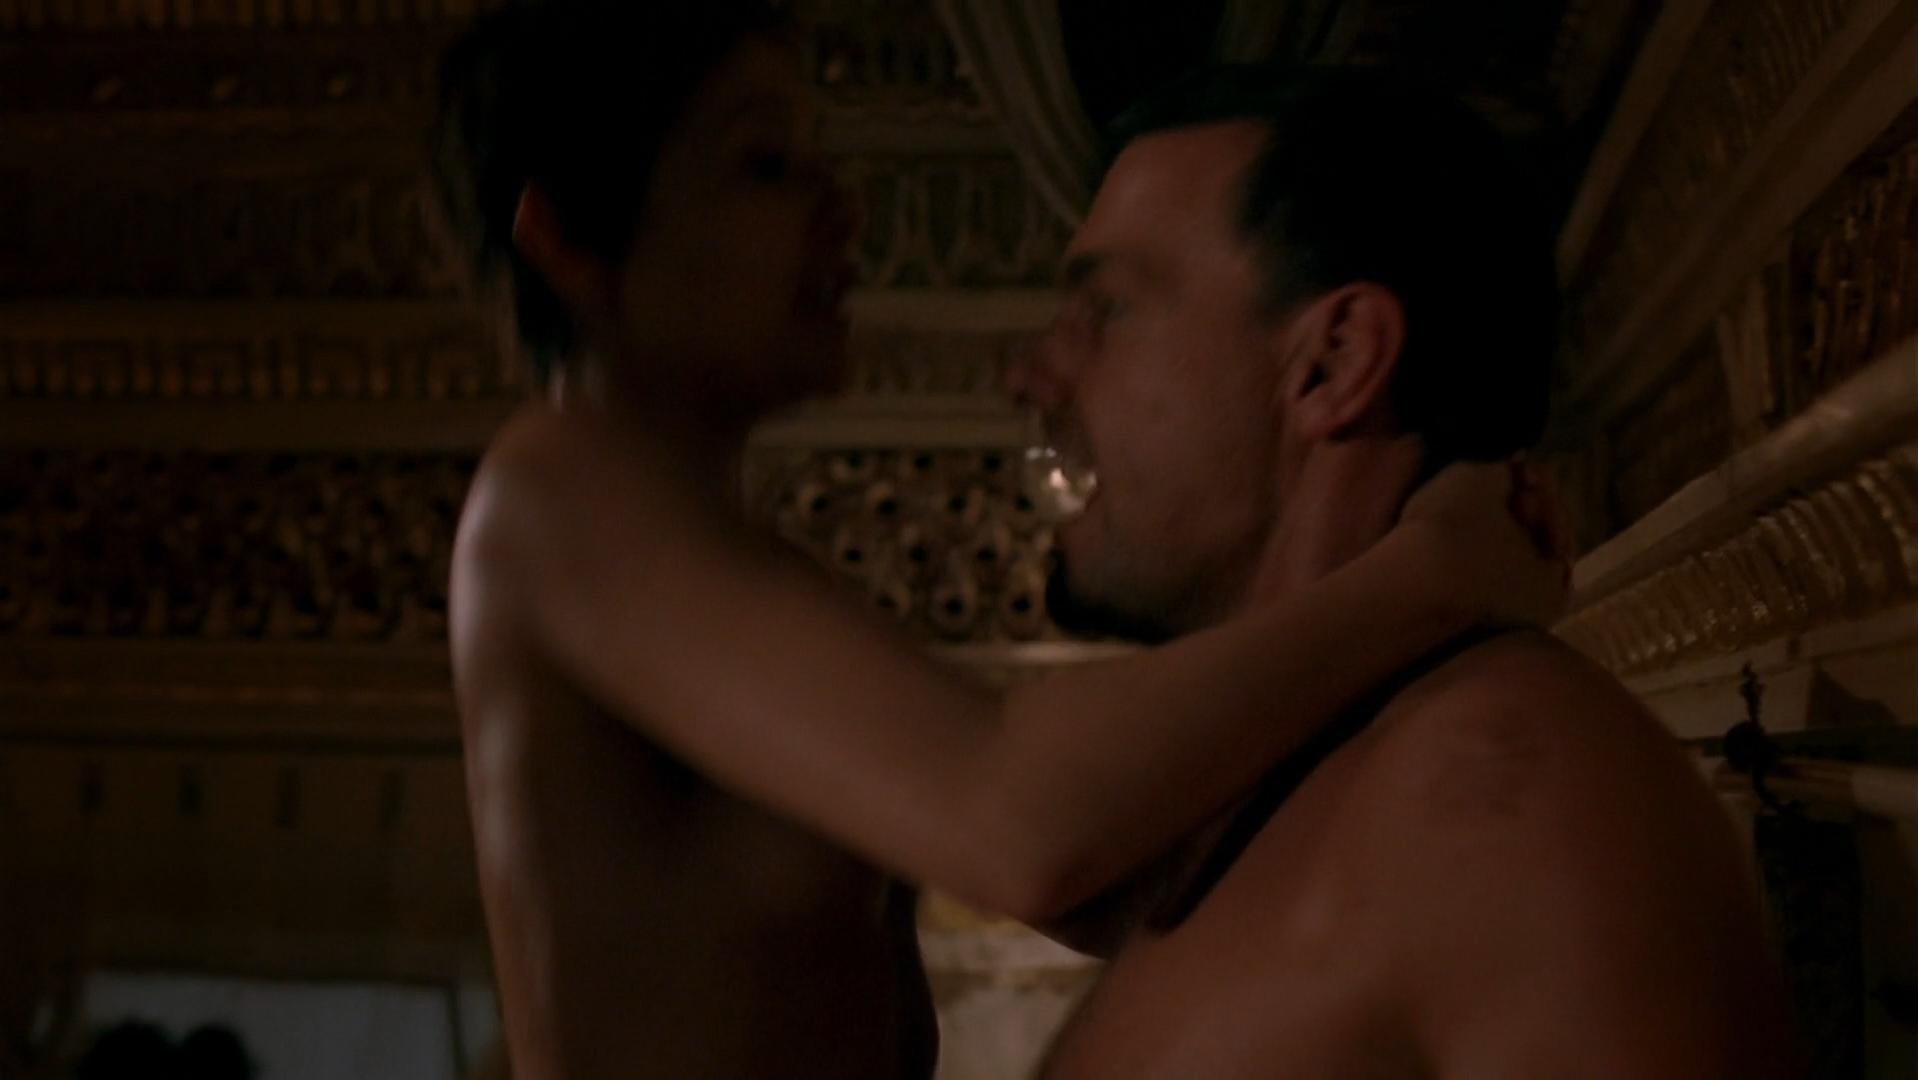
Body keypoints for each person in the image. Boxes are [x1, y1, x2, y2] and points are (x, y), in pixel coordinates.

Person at [434, 3, 1564, 1078]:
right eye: (764, 164)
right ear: (568, 240)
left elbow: (1133, 872)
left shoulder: (739, 574)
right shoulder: (554, 491)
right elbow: (1019, 820)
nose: (843, 207)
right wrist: (1427, 574)